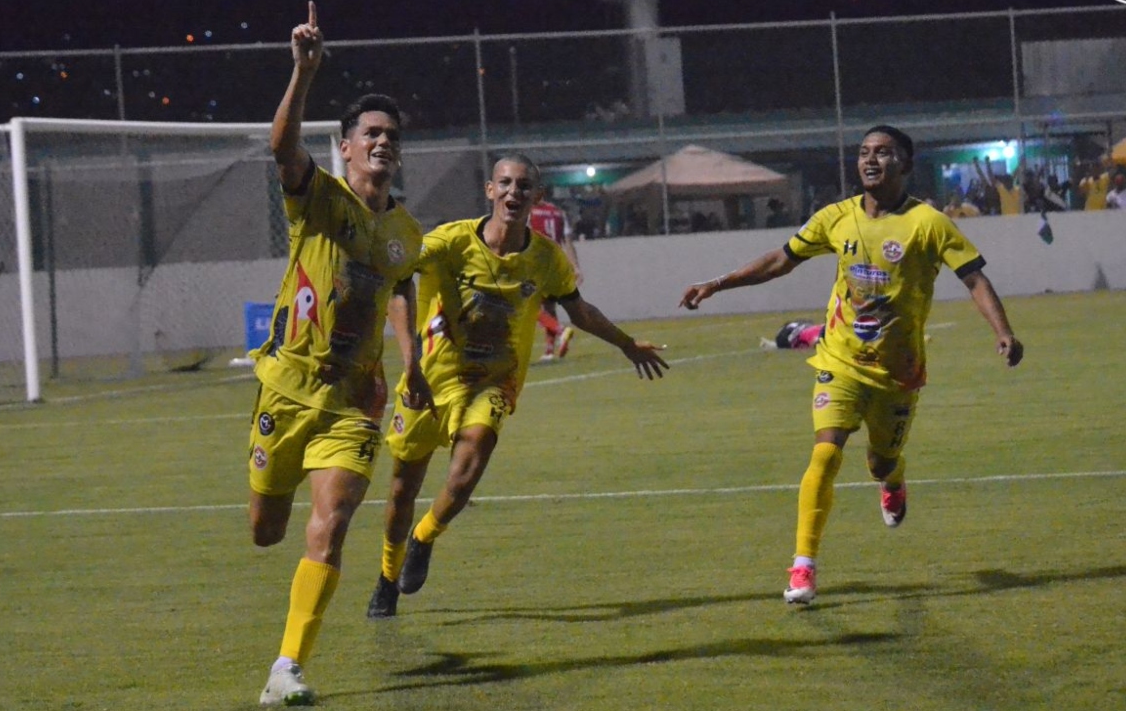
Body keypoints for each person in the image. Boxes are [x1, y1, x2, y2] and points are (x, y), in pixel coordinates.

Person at [680, 125, 1024, 605]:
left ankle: (894, 478)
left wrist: (1003, 332)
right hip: (839, 361)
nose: (870, 160)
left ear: (904, 164)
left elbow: (974, 278)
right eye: (864, 152)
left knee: (879, 461)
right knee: (825, 454)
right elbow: (781, 259)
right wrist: (717, 283)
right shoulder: (836, 217)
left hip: (897, 374)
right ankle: (803, 567)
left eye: (883, 153)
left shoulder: (928, 224)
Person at [366, 153, 669, 618]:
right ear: (490, 191)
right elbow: (396, 277)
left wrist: (627, 344)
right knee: (401, 492)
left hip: (493, 383)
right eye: (505, 184)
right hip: (430, 382)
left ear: (537, 197)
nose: (514, 192)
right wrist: (407, 360)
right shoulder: (450, 242)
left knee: (472, 459)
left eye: (524, 186)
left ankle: (424, 536)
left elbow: (578, 310)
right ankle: (387, 577)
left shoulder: (545, 259)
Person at [249, 2, 435, 706]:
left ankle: (287, 665)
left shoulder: (405, 234)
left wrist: (411, 362)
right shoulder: (317, 199)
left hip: (354, 404)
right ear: (347, 148)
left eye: (391, 135)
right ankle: (284, 503)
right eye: (370, 134)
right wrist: (303, 72)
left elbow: (398, 290)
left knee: (329, 529)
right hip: (285, 389)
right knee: (268, 532)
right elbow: (280, 147)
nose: (382, 142)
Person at [528, 198, 582, 361]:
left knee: (528, 306)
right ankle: (549, 351)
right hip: (557, 265)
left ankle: (561, 330)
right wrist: (576, 266)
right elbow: (567, 241)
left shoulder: (528, 213)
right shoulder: (558, 212)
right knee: (549, 307)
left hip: (538, 265)